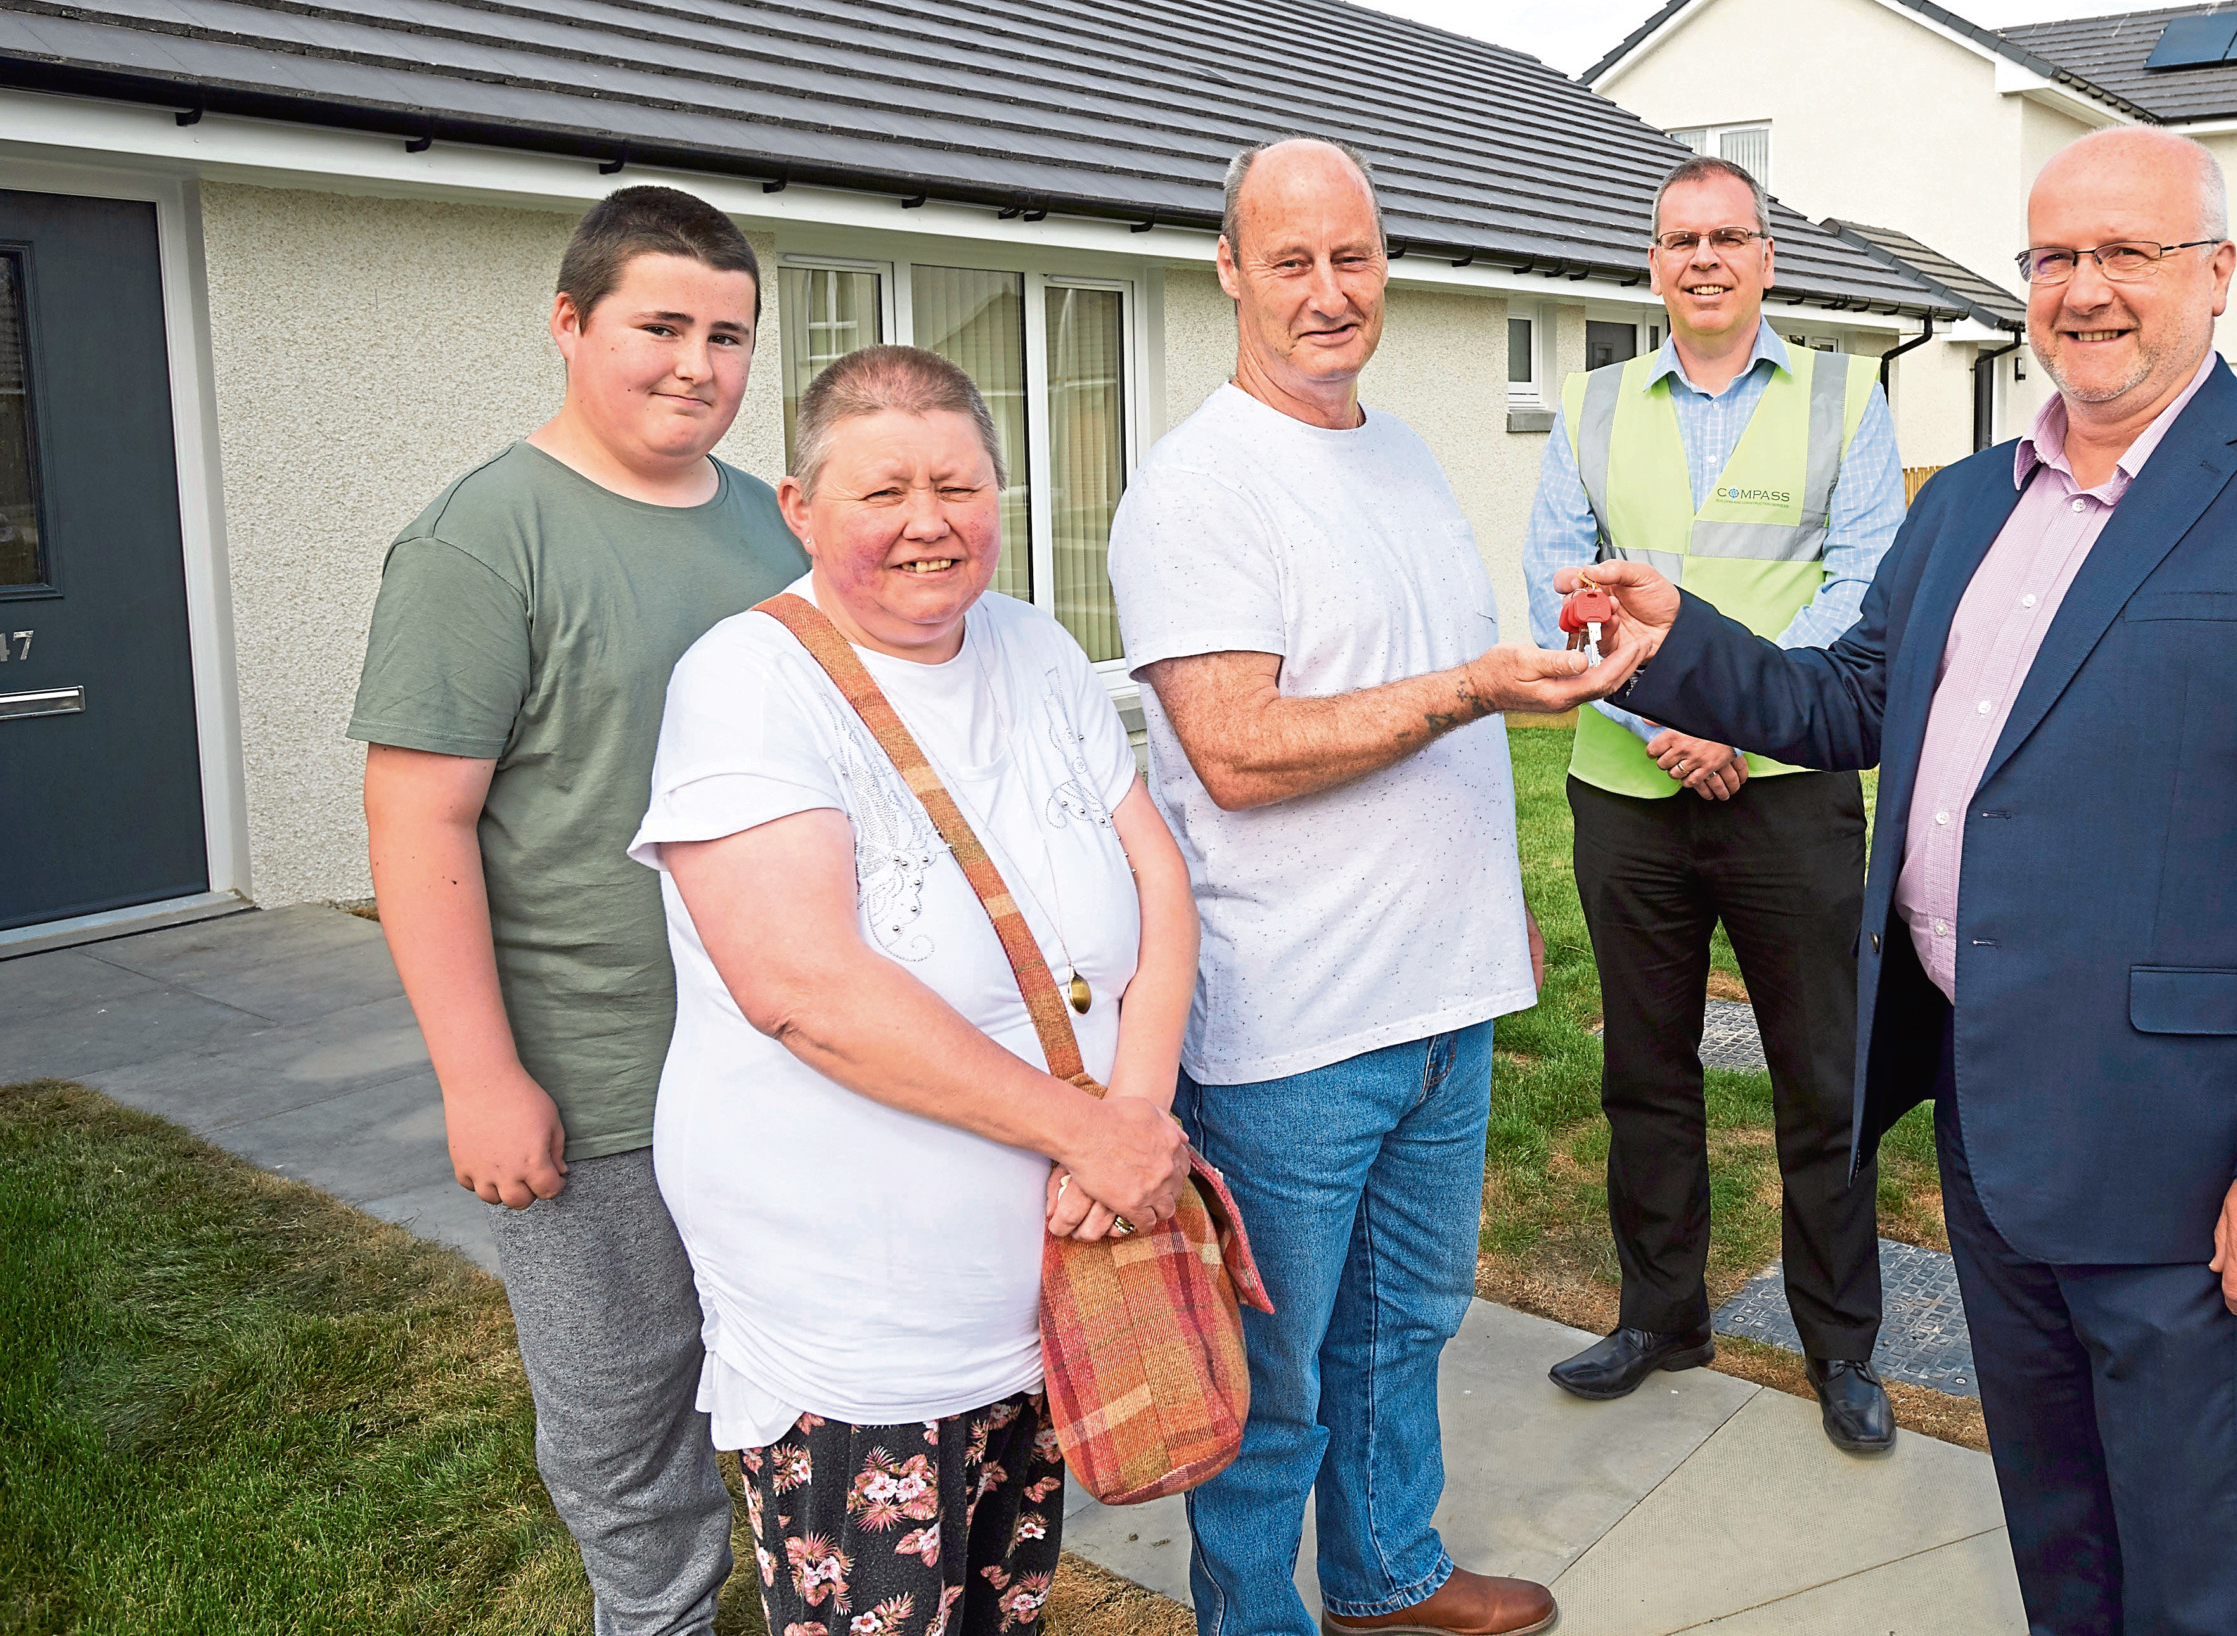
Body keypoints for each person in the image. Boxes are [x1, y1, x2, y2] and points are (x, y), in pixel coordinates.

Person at [1558, 126, 2237, 1635]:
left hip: (2183, 1147)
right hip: (1987, 1116)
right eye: (2055, 258)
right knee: (2058, 1522)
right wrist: (1684, 639)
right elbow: (1853, 702)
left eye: (2130, 253)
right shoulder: (1969, 501)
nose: (2086, 290)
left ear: (2217, 276)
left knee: (2201, 1555)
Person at [1108, 137, 1635, 1636]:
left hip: (1441, 995)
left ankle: (1386, 1573)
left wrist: (1488, 899)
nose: (1329, 292)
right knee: (1272, 1381)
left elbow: (1413, 707)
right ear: (1229, 271)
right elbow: (1236, 751)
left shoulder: (1398, 454)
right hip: (1291, 1025)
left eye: (1354, 257)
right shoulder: (1199, 489)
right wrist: (1474, 688)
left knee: (1407, 1327)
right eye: (1292, 261)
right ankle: (1252, 1619)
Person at [630, 344, 1197, 1636]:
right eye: (883, 492)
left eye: (960, 485)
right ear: (799, 508)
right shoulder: (746, 682)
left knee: (1007, 1604)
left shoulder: (1039, 648)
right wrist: (1089, 1134)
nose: (928, 524)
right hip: (862, 1316)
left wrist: (1137, 1119)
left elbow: (1159, 890)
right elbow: (803, 990)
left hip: (1056, 1268)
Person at [354, 185, 807, 1636]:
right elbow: (416, 816)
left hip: (793, 1050)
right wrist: (482, 1079)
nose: (697, 364)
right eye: (659, 325)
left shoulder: (776, 526)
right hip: (594, 1070)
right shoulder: (480, 542)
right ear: (568, 324)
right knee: (625, 1418)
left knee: (797, 1373)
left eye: (729, 336)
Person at [1519, 154, 1905, 1452]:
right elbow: (1556, 597)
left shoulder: (1847, 397)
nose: (1704, 259)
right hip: (1629, 791)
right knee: (1647, 1071)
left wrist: (1736, 712)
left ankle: (1841, 1348)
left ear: (1766, 258)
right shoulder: (1590, 406)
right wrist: (1663, 719)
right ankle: (1659, 1314)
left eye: (1728, 236)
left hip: (1789, 795)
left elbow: (1864, 590)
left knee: (1822, 1080)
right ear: (1653, 262)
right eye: (1680, 238)